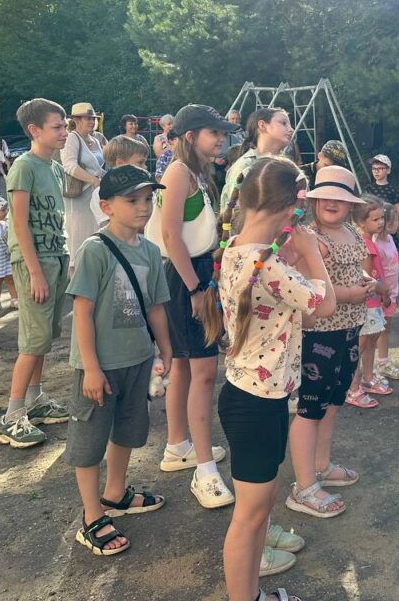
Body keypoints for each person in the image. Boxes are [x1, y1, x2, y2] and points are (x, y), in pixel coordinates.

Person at [203, 156, 331, 601]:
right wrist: (310, 252)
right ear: (291, 207)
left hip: (255, 397)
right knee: (250, 516)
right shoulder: (267, 265)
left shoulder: (240, 249)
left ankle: (253, 593)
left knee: (258, 510)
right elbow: (325, 305)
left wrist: (293, 255)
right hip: (256, 404)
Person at [66, 165, 173, 556]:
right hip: (100, 365)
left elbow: (156, 306)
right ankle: (91, 515)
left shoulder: (151, 251)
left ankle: (115, 493)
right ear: (107, 206)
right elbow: (82, 311)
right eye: (132, 200)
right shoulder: (95, 249)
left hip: (138, 359)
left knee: (128, 429)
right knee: (90, 440)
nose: (143, 207)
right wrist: (91, 368)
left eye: (148, 199)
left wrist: (165, 348)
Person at [157, 104, 240, 508]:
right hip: (186, 274)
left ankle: (178, 445)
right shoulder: (178, 173)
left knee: (186, 367)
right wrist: (194, 288)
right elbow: (170, 236)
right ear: (190, 136)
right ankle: (204, 471)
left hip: (194, 271)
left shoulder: (196, 173)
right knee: (204, 372)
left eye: (222, 132)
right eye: (213, 132)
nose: (221, 138)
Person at [286, 165, 370, 519]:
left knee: (333, 401)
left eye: (340, 198)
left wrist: (365, 282)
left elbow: (353, 269)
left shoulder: (351, 232)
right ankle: (303, 486)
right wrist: (349, 293)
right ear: (313, 200)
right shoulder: (310, 238)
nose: (332, 203)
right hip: (318, 334)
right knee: (310, 408)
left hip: (348, 331)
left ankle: (321, 465)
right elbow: (300, 285)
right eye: (325, 197)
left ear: (351, 205)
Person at [0, 99, 71, 448]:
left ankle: (35, 399)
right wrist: (35, 272)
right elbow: (19, 223)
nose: (64, 131)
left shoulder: (54, 167)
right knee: (32, 339)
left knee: (45, 335)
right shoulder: (23, 167)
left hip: (56, 257)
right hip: (34, 262)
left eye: (65, 125)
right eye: (57, 126)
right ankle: (11, 416)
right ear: (34, 130)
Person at [346, 194, 392, 408]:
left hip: (374, 302)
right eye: (375, 219)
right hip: (367, 303)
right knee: (360, 345)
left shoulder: (368, 242)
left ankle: (368, 377)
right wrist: (383, 291)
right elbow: (365, 278)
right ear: (360, 221)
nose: (381, 222)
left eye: (382, 217)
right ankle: (352, 387)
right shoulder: (364, 244)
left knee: (371, 342)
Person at [221, 108, 295, 213]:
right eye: (283, 123)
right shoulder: (246, 165)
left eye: (290, 125)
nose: (291, 129)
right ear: (262, 125)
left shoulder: (286, 166)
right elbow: (234, 213)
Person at [62, 103, 106, 273]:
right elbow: (69, 165)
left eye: (93, 118)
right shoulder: (72, 138)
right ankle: (75, 283)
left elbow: (100, 167)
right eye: (88, 118)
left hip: (96, 196)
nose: (92, 121)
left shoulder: (95, 140)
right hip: (79, 197)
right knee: (78, 242)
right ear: (76, 120)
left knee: (95, 238)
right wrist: (93, 180)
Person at [373, 203, 399, 383]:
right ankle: (369, 369)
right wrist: (383, 294)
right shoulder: (375, 243)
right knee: (372, 332)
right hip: (380, 296)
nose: (397, 223)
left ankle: (383, 362)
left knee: (386, 328)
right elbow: (375, 272)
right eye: (394, 220)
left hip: (391, 294)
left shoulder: (390, 239)